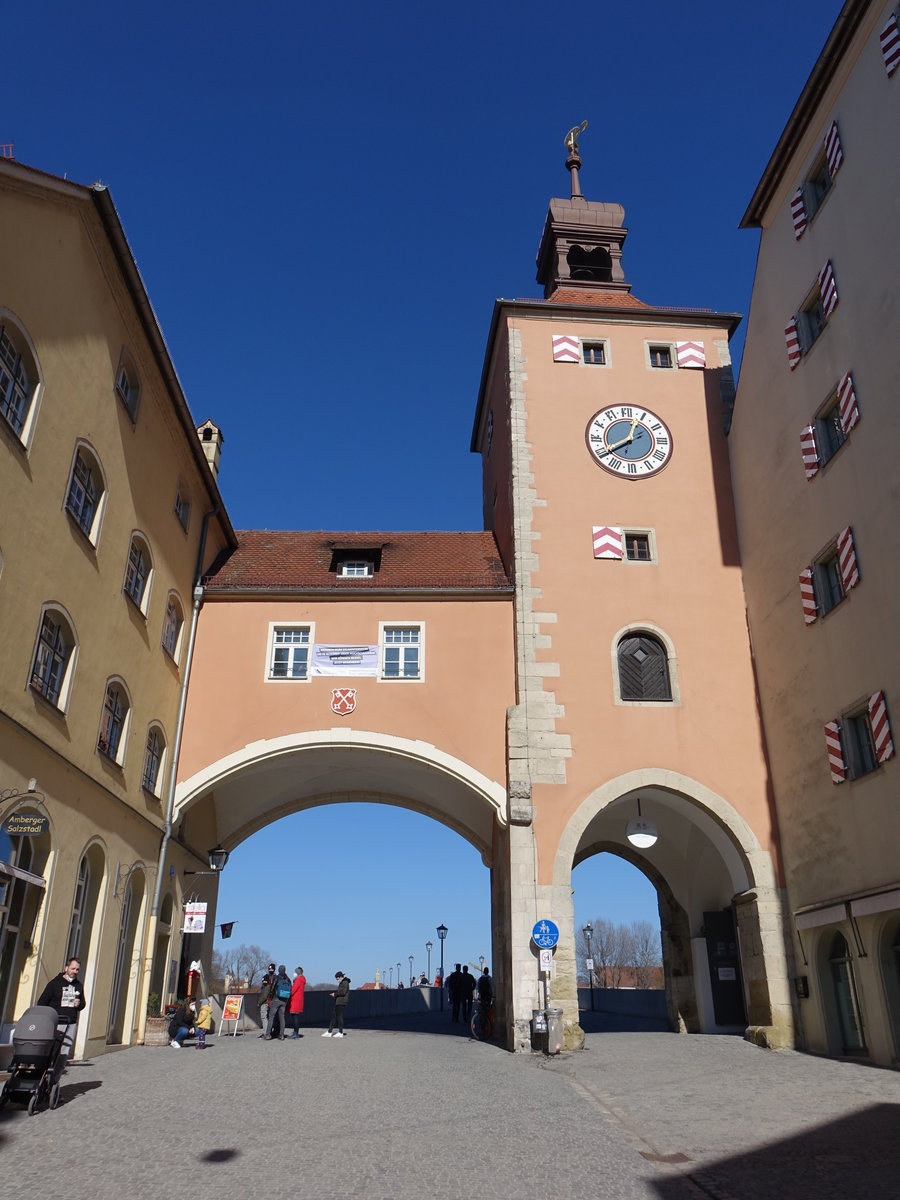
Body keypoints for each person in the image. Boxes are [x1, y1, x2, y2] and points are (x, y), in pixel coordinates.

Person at [36, 956, 87, 1066]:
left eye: (77, 969)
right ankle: (44, 1074)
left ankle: (55, 1079)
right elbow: (42, 1002)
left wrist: (79, 1004)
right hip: (56, 1022)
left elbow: (83, 1004)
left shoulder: (78, 985)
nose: (75, 972)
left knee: (64, 1053)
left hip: (71, 1023)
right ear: (66, 968)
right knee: (52, 1050)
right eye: (73, 969)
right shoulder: (54, 983)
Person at [265, 965, 292, 1040]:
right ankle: (282, 1035)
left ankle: (268, 1035)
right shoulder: (288, 979)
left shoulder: (276, 977)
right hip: (284, 1000)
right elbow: (290, 989)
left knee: (271, 1017)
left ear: (279, 970)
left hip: (276, 999)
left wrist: (270, 996)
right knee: (282, 1018)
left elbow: (272, 987)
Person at [323, 971, 350, 1037]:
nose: (337, 980)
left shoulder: (345, 982)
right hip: (339, 1001)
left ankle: (340, 1032)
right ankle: (330, 1031)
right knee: (334, 1016)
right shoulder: (343, 982)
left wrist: (335, 994)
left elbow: (343, 992)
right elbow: (341, 991)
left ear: (341, 977)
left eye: (337, 979)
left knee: (339, 1017)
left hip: (341, 1001)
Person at [258, 962, 276, 1036]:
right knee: (272, 1017)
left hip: (266, 1001)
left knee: (264, 1017)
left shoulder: (266, 977)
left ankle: (266, 1033)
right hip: (274, 1000)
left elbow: (264, 994)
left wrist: (259, 1003)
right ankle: (273, 1032)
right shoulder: (276, 978)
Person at [288, 966, 306, 1038]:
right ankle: (296, 1032)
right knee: (295, 1016)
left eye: (295, 972)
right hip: (299, 1000)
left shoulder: (298, 980)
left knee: (295, 1017)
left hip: (295, 1001)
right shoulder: (302, 980)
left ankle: (295, 1033)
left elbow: (293, 991)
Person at [476, 967, 494, 1038]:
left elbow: (477, 988)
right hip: (488, 997)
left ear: (483, 972)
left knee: (481, 1012)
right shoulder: (490, 978)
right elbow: (492, 988)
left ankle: (481, 1027)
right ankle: (487, 1026)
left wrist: (479, 996)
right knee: (487, 1011)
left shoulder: (480, 979)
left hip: (482, 997)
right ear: (488, 971)